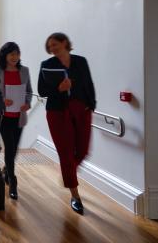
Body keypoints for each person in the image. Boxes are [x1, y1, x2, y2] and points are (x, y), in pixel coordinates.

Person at [38, 33, 95, 215]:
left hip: (81, 110)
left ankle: (67, 172)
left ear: (64, 43)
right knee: (66, 153)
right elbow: (41, 90)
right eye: (50, 46)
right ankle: (75, 196)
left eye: (55, 44)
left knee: (83, 151)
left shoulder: (81, 61)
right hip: (57, 112)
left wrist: (91, 105)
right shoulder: (47, 65)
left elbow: (89, 84)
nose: (52, 49)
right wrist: (58, 89)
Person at [0, 42, 32, 200]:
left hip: (19, 117)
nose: (15, 57)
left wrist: (27, 103)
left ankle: (6, 172)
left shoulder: (25, 71)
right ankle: (13, 181)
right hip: (4, 117)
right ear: (5, 56)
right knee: (9, 147)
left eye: (17, 54)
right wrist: (2, 101)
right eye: (11, 54)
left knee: (14, 149)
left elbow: (29, 91)